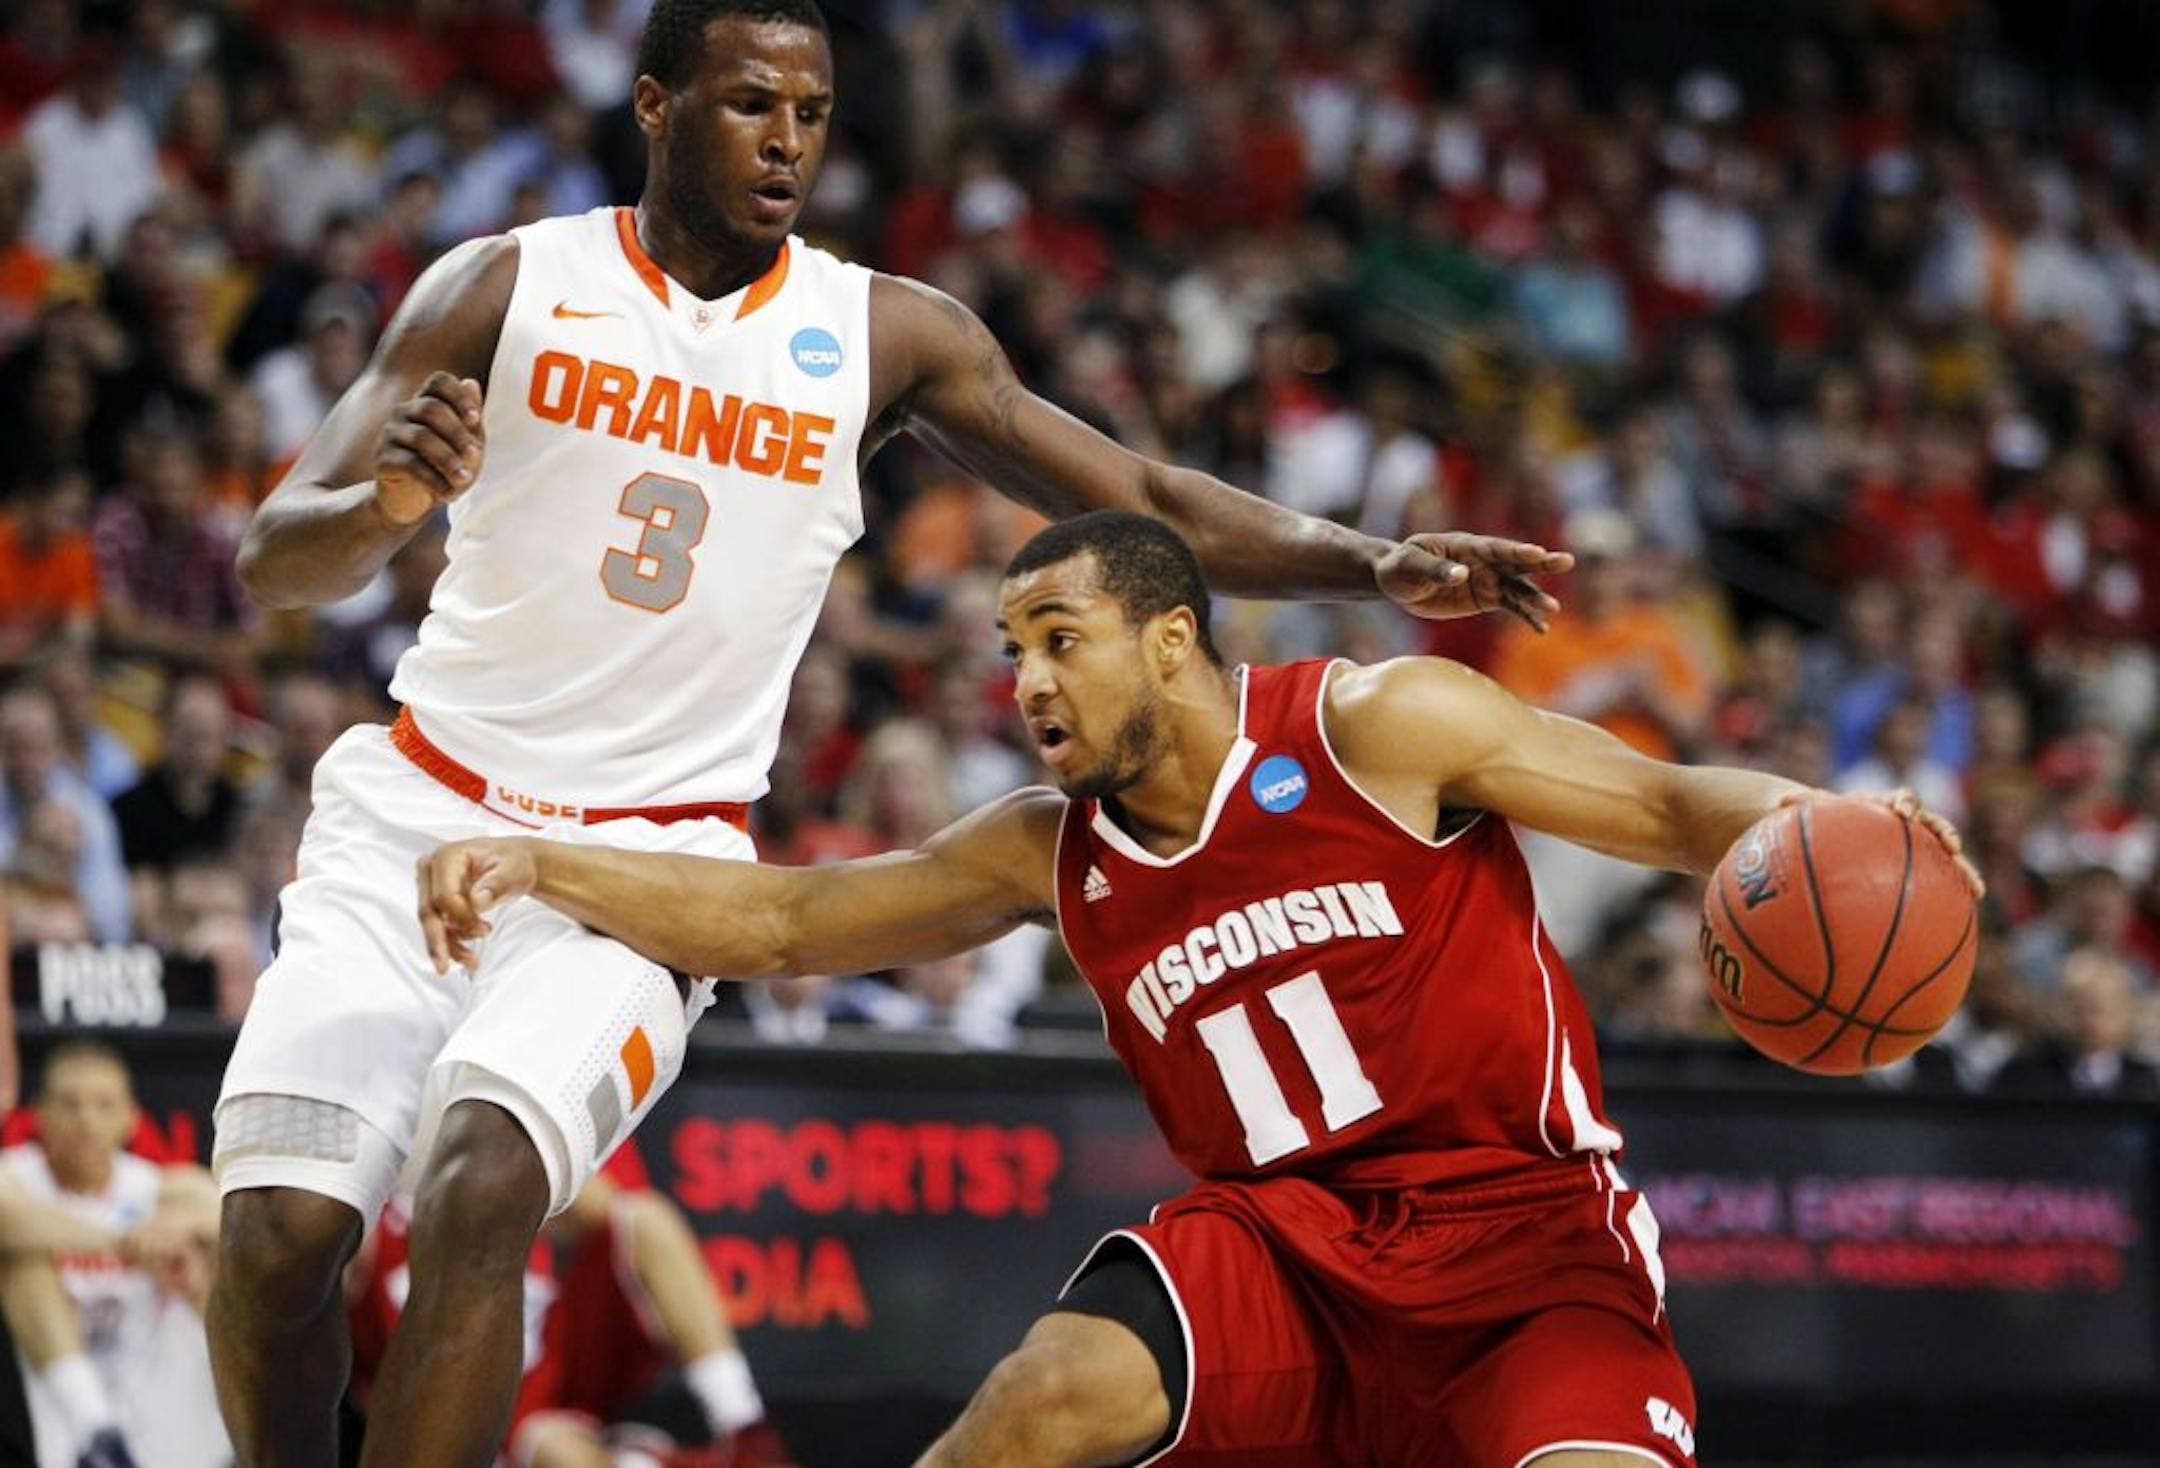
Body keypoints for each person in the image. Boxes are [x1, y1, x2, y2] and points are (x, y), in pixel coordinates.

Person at [206, 2, 1570, 1464]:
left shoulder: (882, 335)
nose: (787, 138)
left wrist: (1365, 562)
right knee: (280, 1242)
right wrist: (386, 512)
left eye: (812, 112)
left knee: (483, 1188)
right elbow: (277, 555)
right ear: (656, 105)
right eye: (748, 106)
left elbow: (1148, 500)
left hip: (652, 867)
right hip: (415, 809)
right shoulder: (505, 283)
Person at [418, 512, 1981, 1468]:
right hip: (1285, 1249)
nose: (1026, 681)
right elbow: (780, 920)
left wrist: (1842, 836)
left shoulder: (1381, 728)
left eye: (1060, 639)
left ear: (1169, 643)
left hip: (1524, 1244)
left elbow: (1668, 810)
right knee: (1034, 1406)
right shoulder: (1050, 852)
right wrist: (545, 862)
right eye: (1012, 649)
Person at [0, 1041, 227, 1468]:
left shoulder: (156, 1187)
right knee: (21, 1261)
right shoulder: (17, 1173)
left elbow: (225, 1212)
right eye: (70, 1104)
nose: (87, 1121)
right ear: (39, 1114)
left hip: (155, 1397)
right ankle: (96, 1432)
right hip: (65, 1405)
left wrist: (175, 1234)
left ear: (131, 1118)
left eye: (104, 1105)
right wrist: (121, 1239)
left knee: (208, 1258)